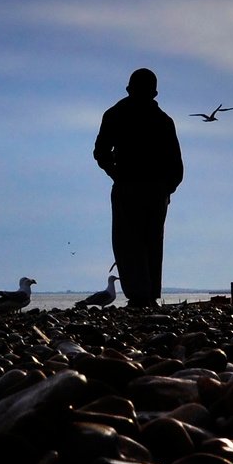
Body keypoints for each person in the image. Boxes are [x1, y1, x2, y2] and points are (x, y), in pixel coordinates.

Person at [93, 67, 184, 307]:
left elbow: (100, 153)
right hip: (151, 189)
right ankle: (148, 293)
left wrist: (118, 176)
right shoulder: (163, 121)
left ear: (129, 89)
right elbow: (177, 166)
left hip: (133, 187)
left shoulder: (116, 114)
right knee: (150, 240)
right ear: (155, 93)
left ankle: (141, 294)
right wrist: (166, 189)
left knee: (129, 241)